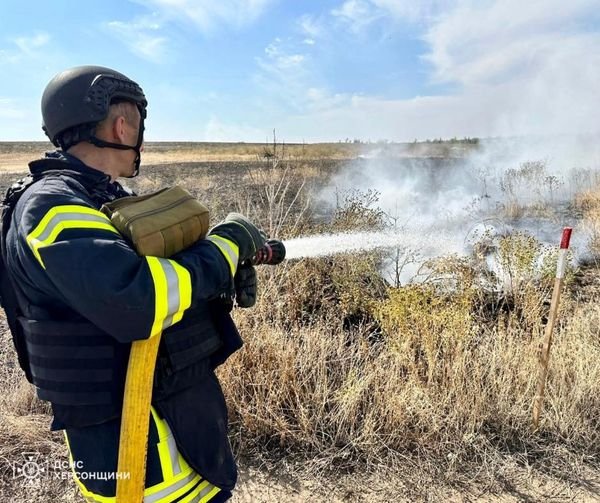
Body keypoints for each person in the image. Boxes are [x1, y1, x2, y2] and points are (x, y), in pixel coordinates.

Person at [1, 65, 264, 502]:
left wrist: (221, 275)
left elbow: (136, 283)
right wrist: (222, 252)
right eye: (139, 123)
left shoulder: (93, 196)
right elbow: (139, 299)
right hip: (137, 453)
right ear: (123, 125)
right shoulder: (53, 205)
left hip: (160, 422)